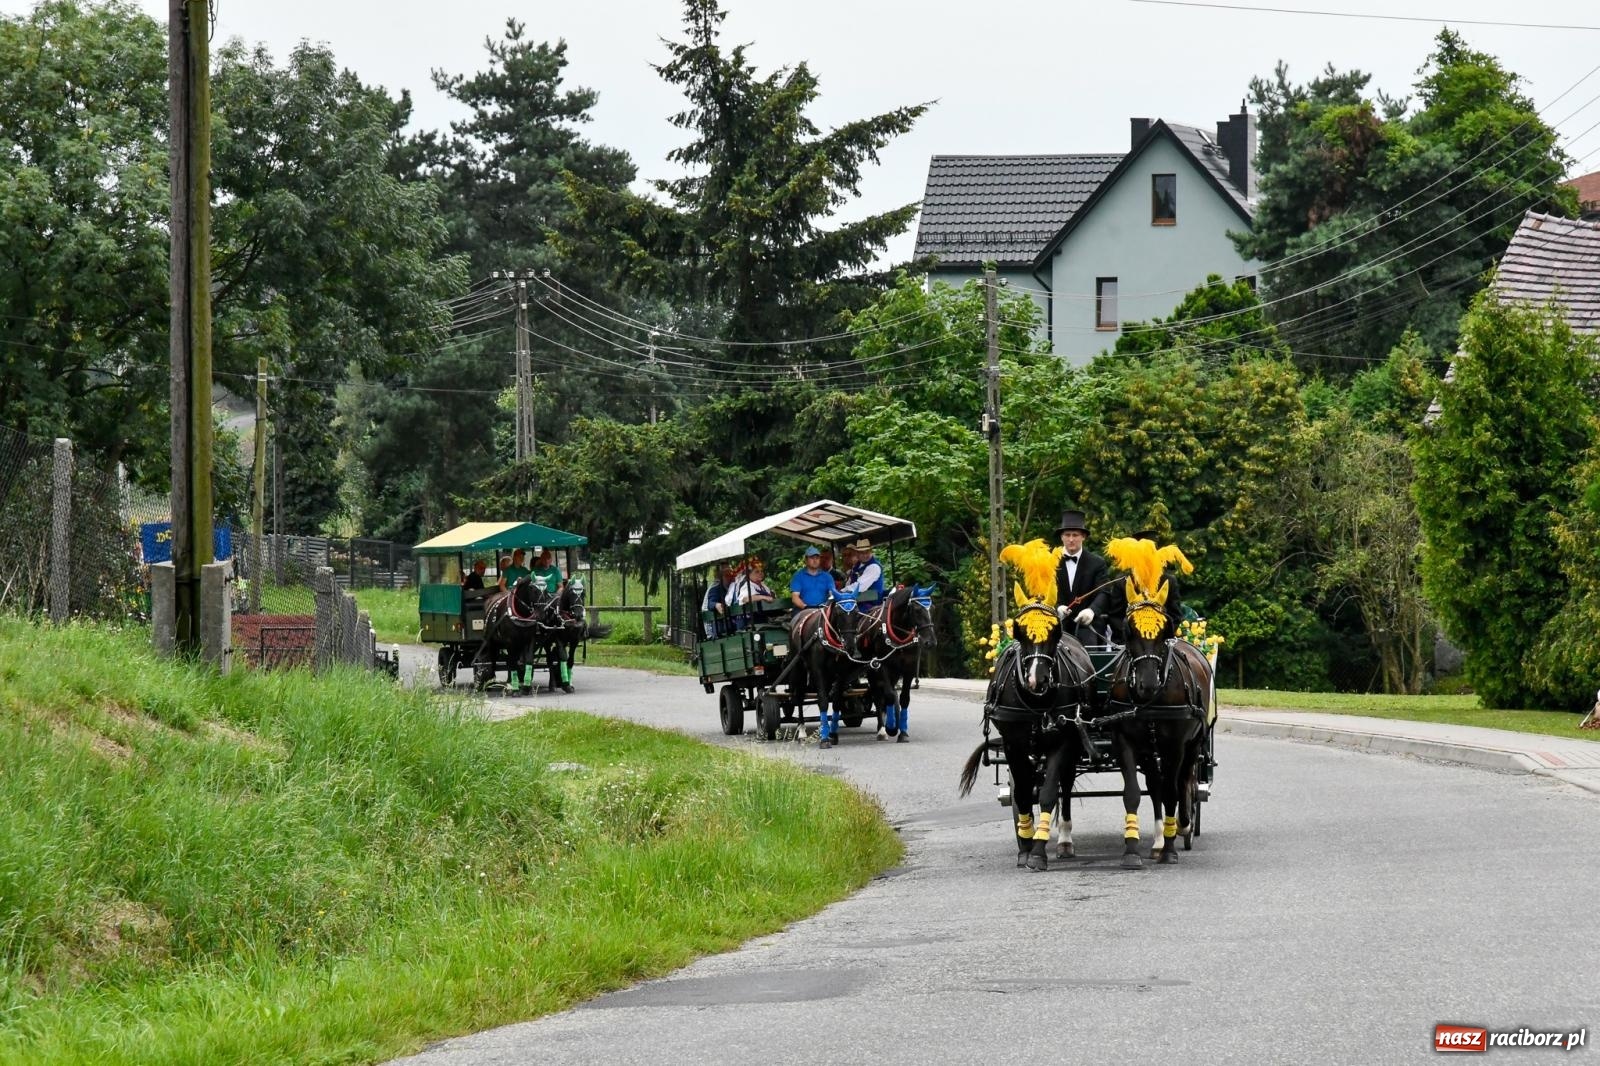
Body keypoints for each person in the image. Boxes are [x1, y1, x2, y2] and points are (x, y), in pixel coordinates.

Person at [1053, 509, 1111, 643]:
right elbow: (1043, 592)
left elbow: (1104, 592)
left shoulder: (1097, 563)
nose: (1071, 539)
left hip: (1088, 626)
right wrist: (1057, 608)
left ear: (1083, 536)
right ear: (1061, 537)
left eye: (1075, 535)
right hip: (1058, 624)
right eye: (1067, 535)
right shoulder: (1050, 562)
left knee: (1089, 651)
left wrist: (1091, 611)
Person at [730, 558, 777, 626]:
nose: (760, 573)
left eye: (761, 571)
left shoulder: (763, 586)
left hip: (763, 616)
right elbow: (745, 599)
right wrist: (764, 597)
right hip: (750, 621)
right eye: (757, 572)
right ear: (749, 574)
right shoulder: (747, 585)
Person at [702, 565, 736, 637]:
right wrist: (716, 605)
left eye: (731, 575)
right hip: (719, 626)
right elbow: (710, 604)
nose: (729, 578)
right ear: (721, 578)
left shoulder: (733, 588)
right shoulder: (715, 589)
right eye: (726, 576)